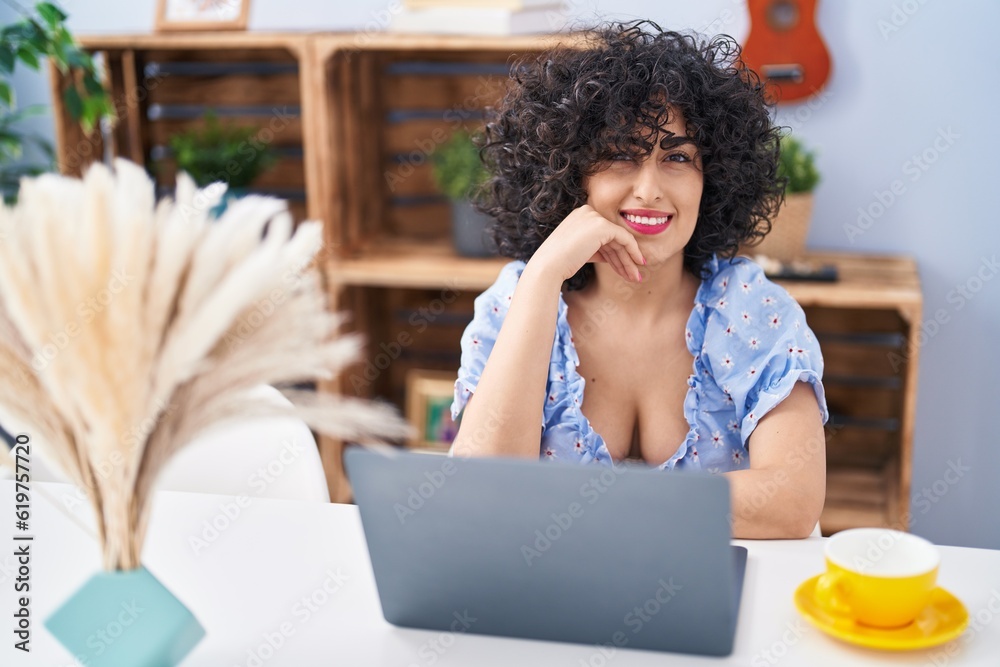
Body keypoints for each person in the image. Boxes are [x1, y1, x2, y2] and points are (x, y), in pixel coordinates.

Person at [449, 21, 828, 539]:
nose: (648, 188)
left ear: (711, 178)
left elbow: (792, 502)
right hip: (549, 599)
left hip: (711, 603)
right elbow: (476, 494)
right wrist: (541, 278)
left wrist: (588, 505)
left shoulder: (751, 309)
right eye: (621, 154)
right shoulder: (514, 301)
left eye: (676, 157)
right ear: (569, 172)